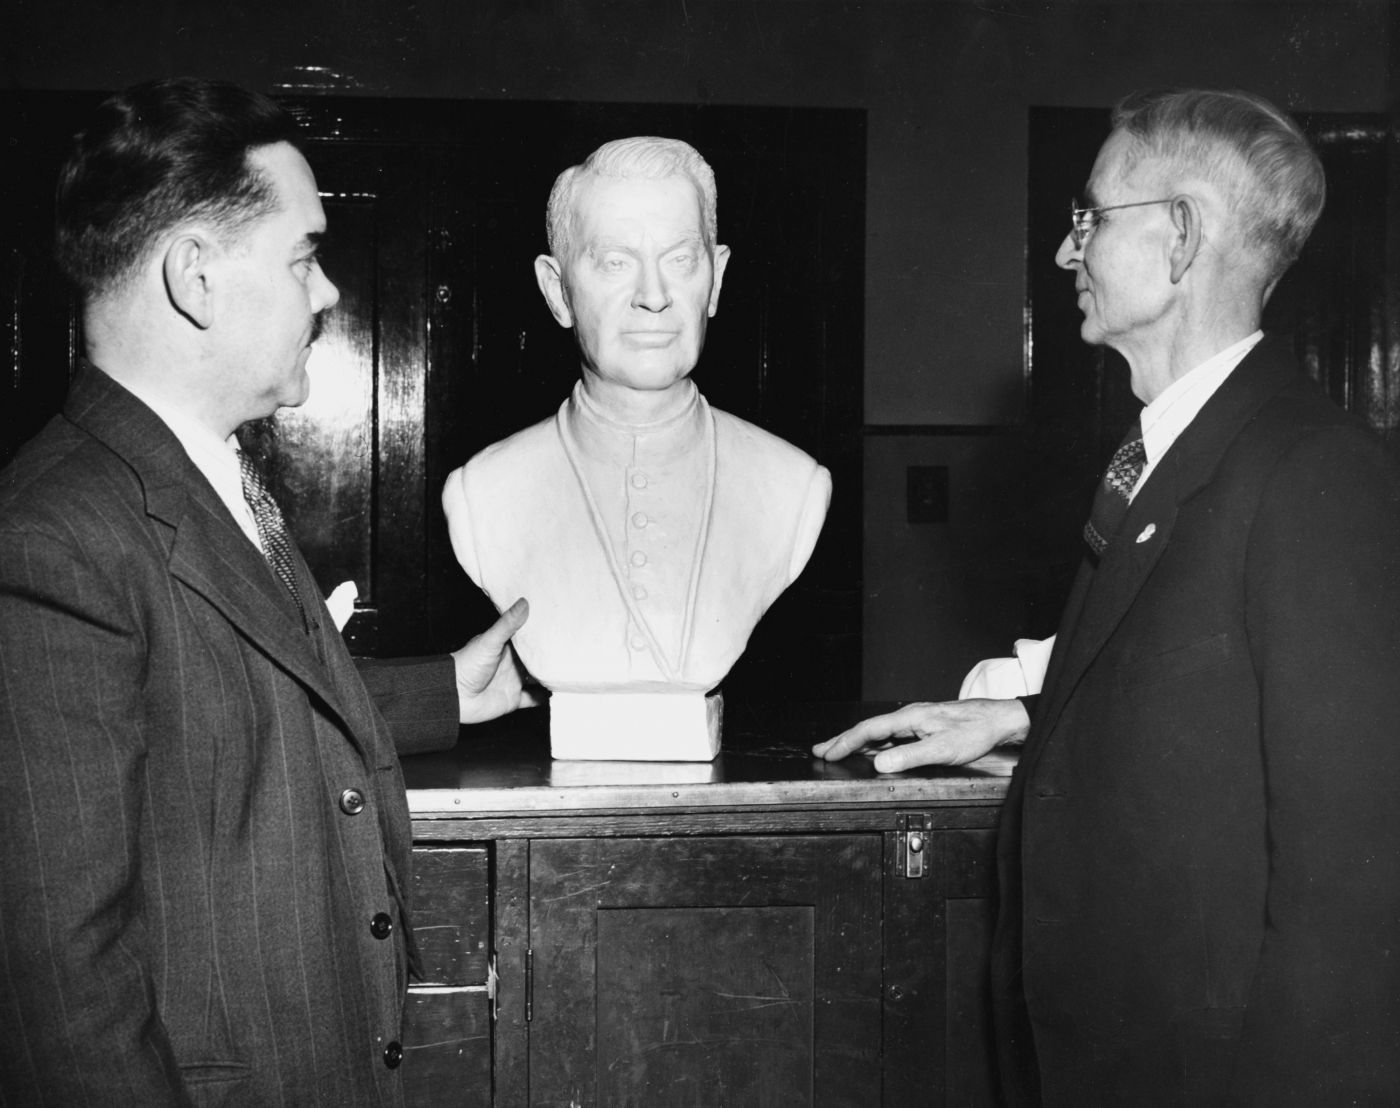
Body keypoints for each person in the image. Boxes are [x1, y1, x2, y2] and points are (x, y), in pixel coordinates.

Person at [815, 88, 1400, 1104]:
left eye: (1089, 218)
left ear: (1179, 242)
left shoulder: (1312, 472)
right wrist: (1020, 714)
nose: (1061, 251)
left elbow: (1346, 893)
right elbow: (1213, 701)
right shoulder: (1165, 453)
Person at [0, 78, 532, 1105]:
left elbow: (217, 701)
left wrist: (445, 693)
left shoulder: (190, 471)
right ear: (197, 277)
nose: (328, 291)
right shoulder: (49, 540)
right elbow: (64, 990)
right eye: (303, 255)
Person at [442, 136, 830, 759]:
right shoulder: (483, 492)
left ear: (716, 278)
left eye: (680, 259)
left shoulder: (792, 484)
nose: (654, 294)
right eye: (615, 262)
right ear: (557, 291)